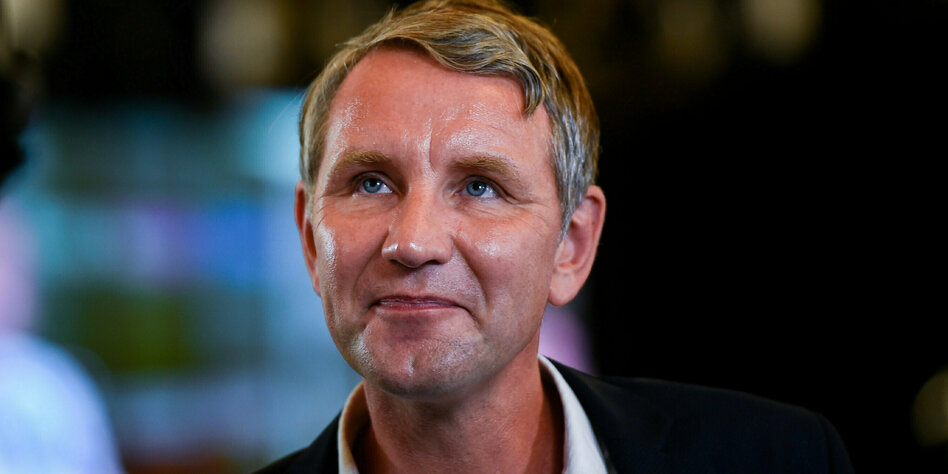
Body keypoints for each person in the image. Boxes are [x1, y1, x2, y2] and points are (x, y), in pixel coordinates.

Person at [258, 0, 853, 472]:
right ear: (310, 239)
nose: (413, 243)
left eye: (480, 187)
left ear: (572, 245)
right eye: (370, 183)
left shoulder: (779, 458)